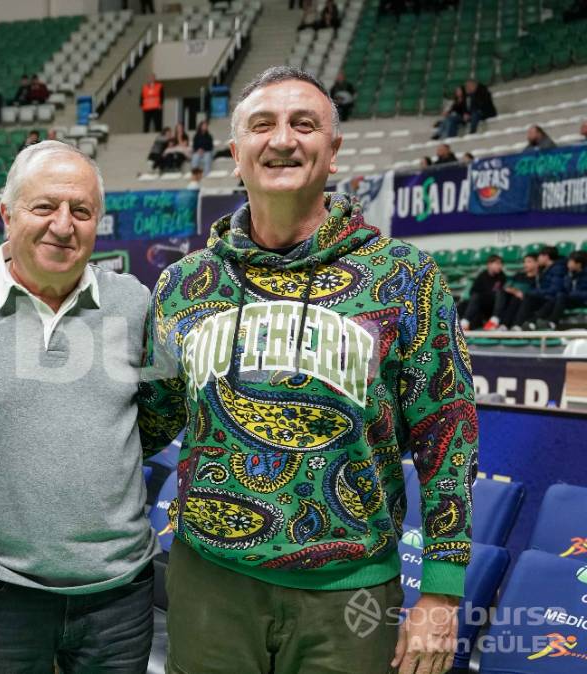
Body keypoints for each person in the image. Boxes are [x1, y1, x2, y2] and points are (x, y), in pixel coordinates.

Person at [140, 66, 474, 674]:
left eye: (305, 124)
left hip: (351, 593)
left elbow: (448, 436)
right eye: (262, 126)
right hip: (209, 585)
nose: (284, 140)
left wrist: (442, 591)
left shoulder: (405, 277)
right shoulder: (185, 283)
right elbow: (147, 422)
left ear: (334, 148)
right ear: (236, 153)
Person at [0, 141, 158, 674]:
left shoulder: (134, 305)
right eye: (44, 207)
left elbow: (156, 417)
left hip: (119, 597)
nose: (64, 225)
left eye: (81, 211)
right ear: (7, 214)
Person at [518, 246, 568, 330]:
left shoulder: (558, 269)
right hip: (545, 295)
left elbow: (554, 289)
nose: (538, 259)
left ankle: (525, 323)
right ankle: (523, 323)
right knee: (525, 295)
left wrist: (536, 292)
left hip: (551, 297)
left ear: (546, 257)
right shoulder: (545, 269)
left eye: (540, 256)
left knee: (529, 295)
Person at [460, 254, 506, 330]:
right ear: (489, 265)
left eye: (501, 264)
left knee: (500, 293)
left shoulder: (502, 276)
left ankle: (494, 320)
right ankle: (465, 321)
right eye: (497, 263)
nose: (500, 266)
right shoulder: (482, 276)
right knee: (474, 297)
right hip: (482, 306)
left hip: (494, 305)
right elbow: (473, 292)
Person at [502, 253, 539, 329]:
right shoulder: (519, 275)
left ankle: (515, 325)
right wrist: (516, 292)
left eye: (529, 262)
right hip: (514, 299)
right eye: (524, 262)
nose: (525, 264)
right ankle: (503, 325)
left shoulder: (539, 278)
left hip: (529, 301)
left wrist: (521, 293)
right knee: (509, 297)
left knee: (521, 298)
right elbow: (506, 287)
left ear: (536, 263)